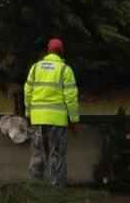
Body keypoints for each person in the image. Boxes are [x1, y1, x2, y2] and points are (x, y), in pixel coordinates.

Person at [24, 38, 80, 187]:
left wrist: (28, 114)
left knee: (37, 157)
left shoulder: (35, 68)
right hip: (57, 122)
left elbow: (28, 93)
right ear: (61, 53)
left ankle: (35, 192)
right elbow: (71, 97)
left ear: (48, 51)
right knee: (57, 158)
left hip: (38, 120)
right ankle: (56, 195)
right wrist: (74, 121)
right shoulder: (64, 70)